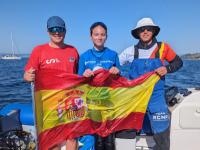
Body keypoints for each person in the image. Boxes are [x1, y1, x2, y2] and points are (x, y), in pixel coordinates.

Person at [119, 17, 183, 150]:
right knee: (125, 129)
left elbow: (178, 62)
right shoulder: (130, 51)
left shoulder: (163, 47)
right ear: (137, 33)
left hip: (156, 97)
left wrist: (167, 68)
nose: (145, 31)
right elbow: (114, 65)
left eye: (149, 29)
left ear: (154, 31)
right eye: (142, 29)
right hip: (135, 98)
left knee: (162, 131)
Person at [23, 16, 79, 150]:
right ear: (48, 32)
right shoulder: (38, 50)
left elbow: (77, 76)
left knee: (72, 137)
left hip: (70, 100)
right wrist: (27, 75)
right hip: (48, 103)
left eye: (60, 29)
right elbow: (26, 75)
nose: (57, 32)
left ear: (65, 31)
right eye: (53, 29)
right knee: (53, 139)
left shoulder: (73, 51)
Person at [78, 22, 120, 150]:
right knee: (98, 139)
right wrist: (84, 75)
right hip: (92, 103)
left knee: (109, 139)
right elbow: (78, 81)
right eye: (96, 34)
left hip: (109, 102)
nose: (99, 37)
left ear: (106, 37)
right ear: (91, 36)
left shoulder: (113, 54)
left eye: (103, 34)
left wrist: (117, 73)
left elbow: (120, 80)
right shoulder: (84, 56)